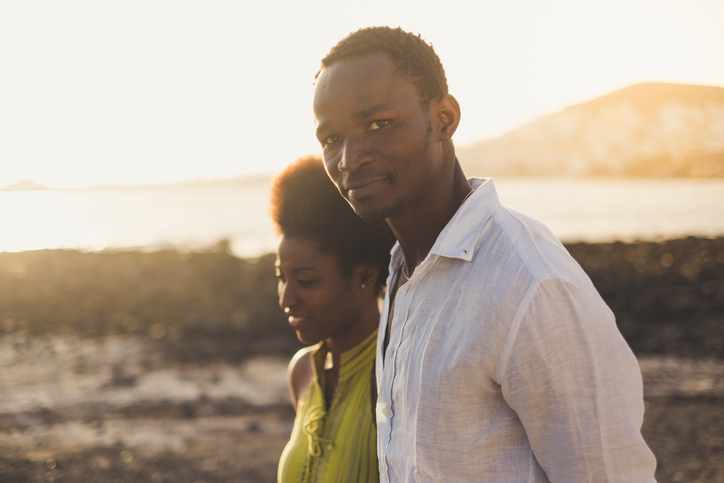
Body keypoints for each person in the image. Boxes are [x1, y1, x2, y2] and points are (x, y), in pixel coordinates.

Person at [312, 26, 657, 481]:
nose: (349, 158)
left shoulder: (530, 283)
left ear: (444, 118)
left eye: (379, 124)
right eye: (331, 139)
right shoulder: (401, 272)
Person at [272, 154, 396, 483]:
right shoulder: (302, 373)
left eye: (306, 281)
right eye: (281, 277)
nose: (286, 298)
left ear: (365, 276)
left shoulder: (394, 378)